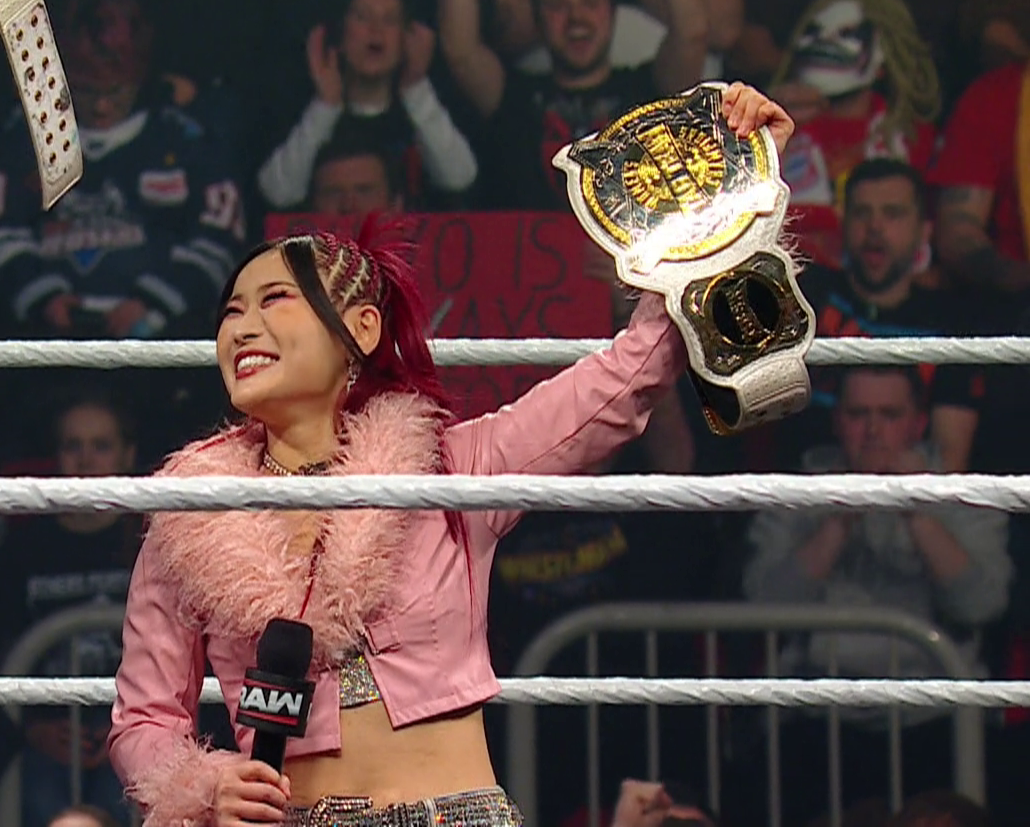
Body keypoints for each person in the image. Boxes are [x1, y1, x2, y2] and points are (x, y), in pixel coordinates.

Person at [108, 84, 794, 827]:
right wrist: (207, 786)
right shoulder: (191, 515)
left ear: (361, 328)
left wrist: (738, 187)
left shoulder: (449, 471)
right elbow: (142, 720)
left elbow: (625, 378)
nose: (241, 327)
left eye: (274, 299)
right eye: (230, 312)